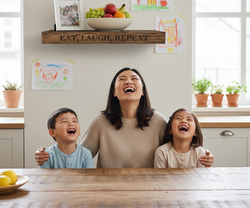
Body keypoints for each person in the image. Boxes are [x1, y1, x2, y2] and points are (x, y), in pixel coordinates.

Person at [35, 68, 214, 168]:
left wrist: (204, 156)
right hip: (107, 190)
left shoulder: (158, 121)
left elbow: (179, 150)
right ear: (114, 91)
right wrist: (48, 155)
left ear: (142, 91)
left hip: (149, 191)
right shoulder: (100, 122)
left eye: (134, 78)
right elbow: (77, 155)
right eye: (122, 79)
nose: (128, 81)